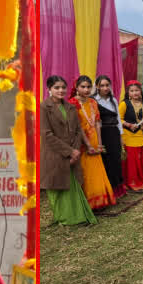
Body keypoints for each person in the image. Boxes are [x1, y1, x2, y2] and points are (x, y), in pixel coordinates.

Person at [42, 75, 96, 225]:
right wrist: (69, 151)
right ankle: (64, 218)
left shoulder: (70, 107)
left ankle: (78, 217)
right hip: (55, 154)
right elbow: (46, 134)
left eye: (63, 87)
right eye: (56, 87)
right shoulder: (43, 107)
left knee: (72, 186)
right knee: (58, 186)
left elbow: (78, 130)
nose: (61, 90)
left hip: (73, 153)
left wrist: (75, 150)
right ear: (49, 89)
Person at [70, 75, 117, 209]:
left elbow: (97, 123)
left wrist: (100, 143)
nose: (86, 89)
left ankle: (101, 200)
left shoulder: (92, 102)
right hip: (81, 140)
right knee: (86, 170)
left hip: (95, 138)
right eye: (83, 87)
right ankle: (89, 203)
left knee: (98, 168)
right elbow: (76, 126)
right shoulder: (72, 103)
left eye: (88, 87)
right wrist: (88, 144)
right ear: (76, 88)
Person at [118, 80, 143, 191]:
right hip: (129, 136)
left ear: (140, 91)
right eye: (132, 91)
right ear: (128, 92)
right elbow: (119, 119)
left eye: (137, 90)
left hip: (142, 135)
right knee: (132, 160)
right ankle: (133, 180)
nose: (135, 93)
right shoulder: (124, 104)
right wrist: (128, 124)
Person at [93, 75, 124, 194]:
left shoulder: (113, 100)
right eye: (102, 85)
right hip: (102, 134)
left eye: (107, 85)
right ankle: (108, 190)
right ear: (97, 87)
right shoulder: (94, 101)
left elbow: (118, 120)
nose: (105, 88)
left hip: (114, 133)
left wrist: (121, 136)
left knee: (116, 160)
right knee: (106, 161)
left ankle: (118, 188)